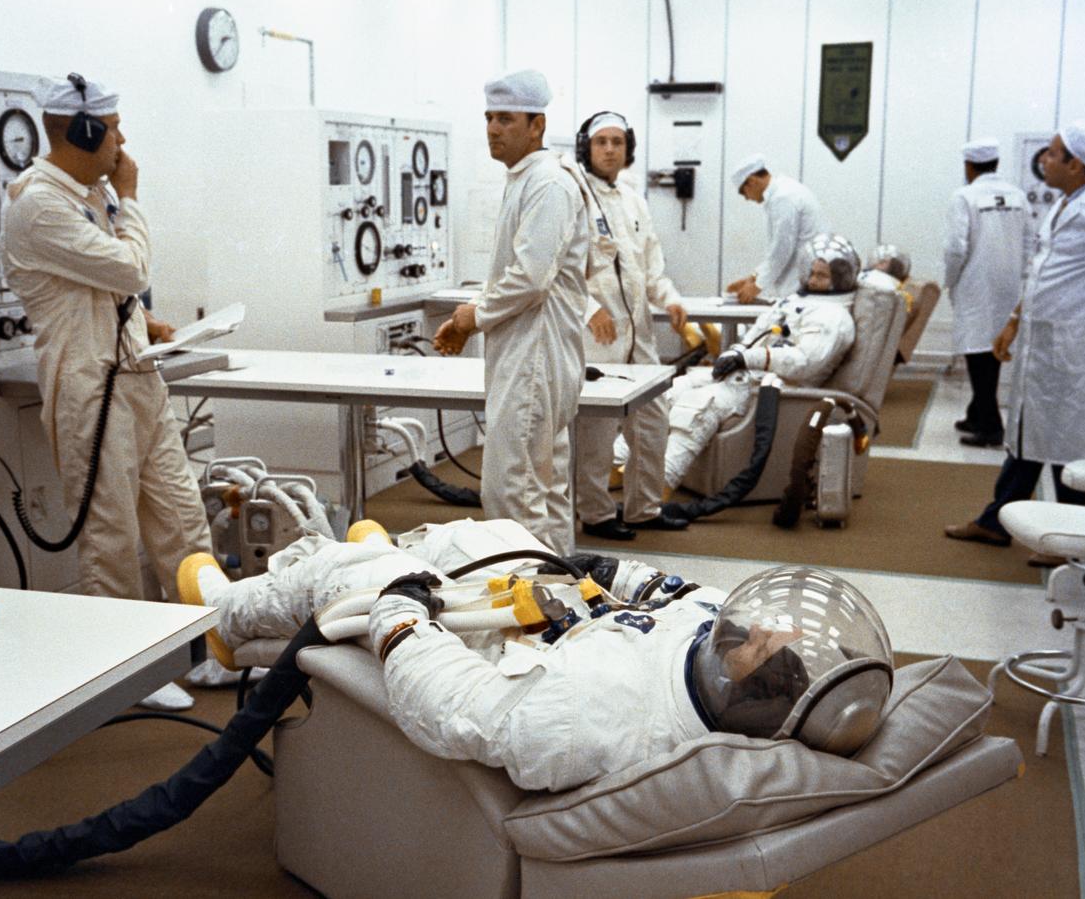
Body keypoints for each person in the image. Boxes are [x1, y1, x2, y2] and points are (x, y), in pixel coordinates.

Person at [177, 518, 894, 792]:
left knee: (348, 574)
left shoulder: (602, 717)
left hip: (485, 638)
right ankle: (392, 545)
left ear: (750, 687)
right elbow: (671, 591)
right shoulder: (718, 631)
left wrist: (400, 615)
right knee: (489, 529)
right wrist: (609, 574)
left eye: (764, 647)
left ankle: (224, 616)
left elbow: (458, 707)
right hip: (543, 593)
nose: (764, 632)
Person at [1, 74, 212, 711]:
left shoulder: (86, 194)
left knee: (180, 516)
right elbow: (130, 268)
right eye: (115, 127)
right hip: (89, 386)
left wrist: (138, 319)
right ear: (87, 131)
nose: (122, 141)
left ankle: (205, 647)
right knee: (112, 536)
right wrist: (132, 198)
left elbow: (102, 285)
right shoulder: (39, 203)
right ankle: (127, 678)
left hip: (134, 371)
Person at [946, 120, 1085, 560]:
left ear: (1076, 164)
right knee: (1028, 436)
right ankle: (996, 521)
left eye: (1053, 153)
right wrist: (1013, 320)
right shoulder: (1062, 204)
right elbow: (1040, 272)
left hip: (1074, 348)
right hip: (1041, 343)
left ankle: (1069, 537)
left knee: (1068, 443)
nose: (1044, 160)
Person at [432, 70, 592, 555]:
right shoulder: (528, 179)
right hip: (530, 358)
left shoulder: (548, 184)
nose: (493, 129)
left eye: (505, 118)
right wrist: (473, 315)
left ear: (536, 125)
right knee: (542, 488)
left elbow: (529, 278)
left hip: (535, 362)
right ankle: (560, 599)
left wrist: (470, 316)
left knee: (511, 495)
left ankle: (528, 612)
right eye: (488, 118)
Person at [619, 233, 859, 492]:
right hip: (748, 376)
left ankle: (658, 486)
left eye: (821, 276)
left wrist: (747, 357)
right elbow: (756, 334)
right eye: (811, 272)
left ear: (840, 279)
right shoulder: (796, 301)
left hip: (779, 388)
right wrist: (736, 353)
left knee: (699, 406)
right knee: (666, 394)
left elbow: (803, 362)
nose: (812, 280)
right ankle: (616, 463)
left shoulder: (834, 318)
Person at [573, 110, 689, 540]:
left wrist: (672, 301)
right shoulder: (574, 196)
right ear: (587, 146)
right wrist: (589, 309)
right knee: (597, 431)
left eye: (617, 142)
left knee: (653, 420)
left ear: (628, 149)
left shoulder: (634, 200)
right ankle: (597, 513)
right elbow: (562, 270)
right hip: (598, 335)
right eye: (601, 141)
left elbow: (651, 266)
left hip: (639, 333)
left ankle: (644, 506)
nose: (609, 149)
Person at [942, 137, 1031, 448]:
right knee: (991, 347)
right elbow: (1029, 241)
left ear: (969, 166)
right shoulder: (1018, 196)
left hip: (975, 282)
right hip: (1009, 284)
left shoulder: (964, 196)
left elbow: (955, 248)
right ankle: (976, 413)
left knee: (977, 350)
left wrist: (950, 280)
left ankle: (991, 426)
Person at [725, 154, 825, 304]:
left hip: (803, 286)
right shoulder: (784, 192)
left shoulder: (783, 197)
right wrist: (753, 277)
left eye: (743, 192)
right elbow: (778, 250)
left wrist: (757, 285)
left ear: (751, 181)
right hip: (801, 282)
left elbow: (782, 249)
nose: (746, 198)